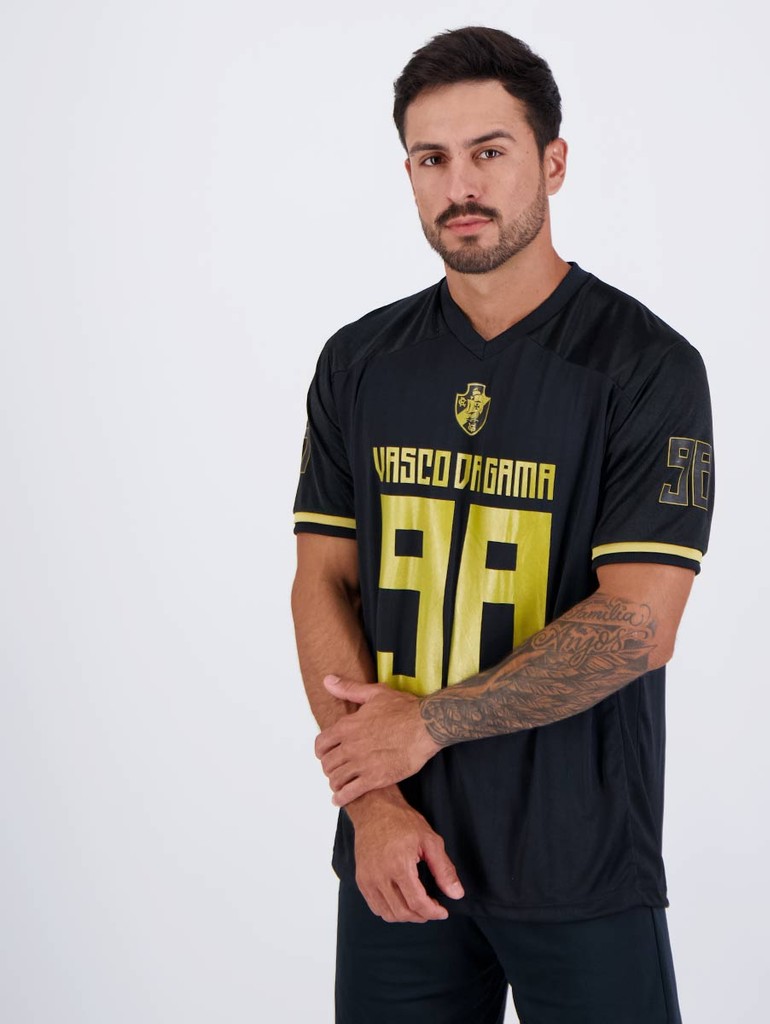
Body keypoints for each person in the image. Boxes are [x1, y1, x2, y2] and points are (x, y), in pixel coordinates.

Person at [291, 26, 714, 1024]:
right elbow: (322, 582)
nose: (460, 186)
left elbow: (641, 624)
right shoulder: (359, 360)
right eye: (431, 159)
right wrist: (373, 803)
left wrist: (426, 724)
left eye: (489, 151)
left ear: (552, 163)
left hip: (580, 855)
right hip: (398, 854)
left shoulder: (644, 366)